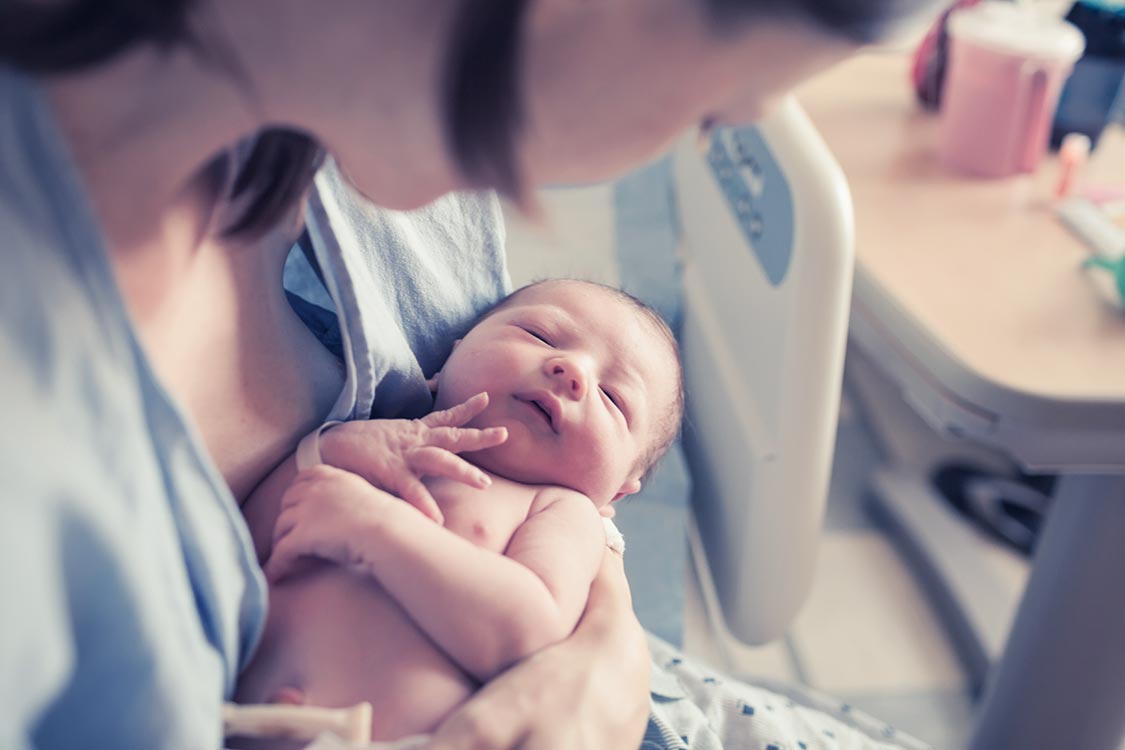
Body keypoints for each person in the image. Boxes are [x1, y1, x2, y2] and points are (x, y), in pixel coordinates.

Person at [0, 1, 944, 748]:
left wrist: (601, 664)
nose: (567, 369)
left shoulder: (368, 119)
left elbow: (562, 521)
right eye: (708, 114)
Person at [233, 279, 684, 744]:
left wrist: (374, 526)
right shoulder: (378, 435)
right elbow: (248, 534)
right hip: (228, 714)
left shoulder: (560, 510)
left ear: (618, 495)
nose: (573, 371)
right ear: (451, 353)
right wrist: (325, 451)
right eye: (540, 335)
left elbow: (525, 632)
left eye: (613, 398)